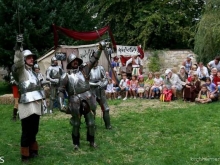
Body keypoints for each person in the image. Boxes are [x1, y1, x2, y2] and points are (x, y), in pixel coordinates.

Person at [58, 42, 106, 150]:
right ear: (69, 63)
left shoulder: (84, 70)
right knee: (76, 123)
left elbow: (93, 59)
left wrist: (100, 48)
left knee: (91, 122)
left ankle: (92, 142)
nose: (75, 62)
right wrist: (61, 103)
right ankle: (76, 144)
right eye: (73, 61)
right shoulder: (65, 76)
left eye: (76, 61)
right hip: (74, 100)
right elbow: (60, 91)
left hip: (87, 98)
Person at [12, 34, 45, 162]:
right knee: (26, 130)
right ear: (24, 59)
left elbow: (39, 88)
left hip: (36, 103)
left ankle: (33, 150)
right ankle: (25, 155)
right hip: (26, 104)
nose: (32, 59)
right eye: (29, 57)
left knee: (34, 129)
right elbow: (17, 62)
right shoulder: (22, 72)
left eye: (32, 57)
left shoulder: (33, 72)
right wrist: (18, 46)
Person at [89, 61, 112, 129]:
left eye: (96, 60)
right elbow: (86, 81)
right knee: (92, 109)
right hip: (92, 90)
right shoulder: (88, 69)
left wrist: (104, 84)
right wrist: (96, 84)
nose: (95, 62)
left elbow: (106, 78)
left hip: (100, 90)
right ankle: (92, 125)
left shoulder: (100, 68)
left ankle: (108, 125)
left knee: (106, 108)